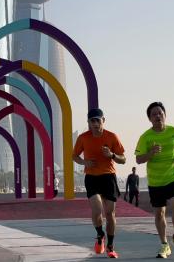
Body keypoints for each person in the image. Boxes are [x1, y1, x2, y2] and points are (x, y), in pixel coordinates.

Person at [135, 102, 174, 259]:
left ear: (165, 115)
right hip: (156, 180)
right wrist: (150, 153)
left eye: (160, 113)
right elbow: (138, 159)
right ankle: (164, 245)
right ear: (150, 119)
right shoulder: (145, 137)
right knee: (159, 213)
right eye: (154, 114)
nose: (158, 116)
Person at [73, 108, 126, 259]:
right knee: (97, 210)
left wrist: (112, 155)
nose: (95, 124)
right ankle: (100, 234)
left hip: (108, 177)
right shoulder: (83, 138)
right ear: (88, 122)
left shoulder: (112, 136)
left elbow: (123, 159)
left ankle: (110, 247)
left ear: (104, 120)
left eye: (98, 120)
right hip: (91, 177)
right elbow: (74, 156)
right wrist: (84, 162)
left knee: (110, 214)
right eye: (92, 121)